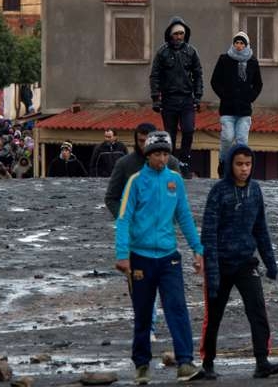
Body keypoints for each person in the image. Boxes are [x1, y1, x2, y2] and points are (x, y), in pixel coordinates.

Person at [114, 131, 205, 383]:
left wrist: (198, 249)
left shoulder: (175, 180)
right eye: (157, 154)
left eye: (166, 154)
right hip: (140, 257)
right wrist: (122, 255)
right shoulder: (135, 181)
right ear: (148, 155)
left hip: (169, 258)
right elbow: (123, 219)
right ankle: (142, 365)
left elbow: (184, 217)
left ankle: (185, 362)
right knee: (143, 313)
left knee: (177, 308)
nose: (162, 159)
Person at [200, 145, 278, 380]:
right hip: (221, 264)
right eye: (239, 164)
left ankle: (262, 361)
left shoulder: (255, 191)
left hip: (246, 263)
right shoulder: (218, 192)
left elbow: (261, 229)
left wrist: (270, 262)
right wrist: (213, 273)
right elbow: (209, 233)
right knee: (213, 316)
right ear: (229, 165)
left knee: (257, 311)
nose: (244, 169)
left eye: (248, 164)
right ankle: (207, 363)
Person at [149, 16, 203, 178]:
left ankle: (184, 162)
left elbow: (198, 74)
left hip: (187, 98)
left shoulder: (191, 52)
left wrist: (198, 96)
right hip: (169, 99)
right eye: (176, 34)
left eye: (181, 33)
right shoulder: (162, 53)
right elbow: (155, 76)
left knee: (188, 130)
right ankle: (170, 164)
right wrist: (155, 98)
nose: (179, 37)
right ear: (170, 34)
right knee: (170, 134)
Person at [209, 31, 263, 175]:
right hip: (227, 108)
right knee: (227, 136)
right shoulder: (225, 59)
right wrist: (224, 95)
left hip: (244, 110)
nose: (239, 46)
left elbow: (258, 84)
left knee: (242, 141)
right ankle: (223, 162)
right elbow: (215, 81)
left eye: (241, 43)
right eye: (236, 43)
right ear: (233, 44)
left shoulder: (252, 61)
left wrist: (250, 97)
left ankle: (238, 170)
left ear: (246, 45)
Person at [105, 123, 181, 219]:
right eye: (141, 141)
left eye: (147, 140)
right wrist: (126, 218)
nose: (144, 144)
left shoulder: (171, 163)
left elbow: (177, 196)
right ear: (136, 141)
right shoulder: (124, 164)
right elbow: (111, 198)